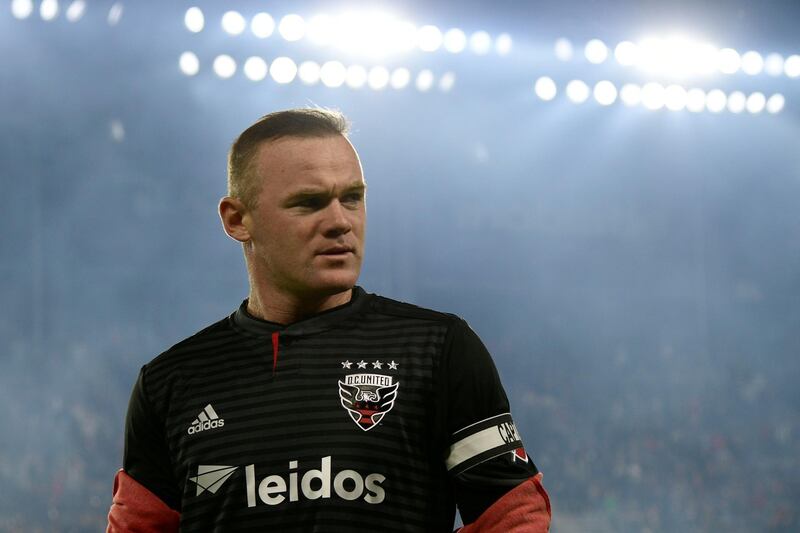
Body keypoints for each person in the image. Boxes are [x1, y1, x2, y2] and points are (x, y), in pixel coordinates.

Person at [107, 108, 551, 532]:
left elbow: (512, 513)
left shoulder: (437, 349)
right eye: (309, 203)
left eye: (352, 198)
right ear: (238, 219)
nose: (340, 221)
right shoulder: (170, 383)